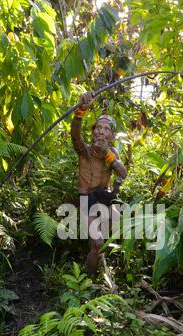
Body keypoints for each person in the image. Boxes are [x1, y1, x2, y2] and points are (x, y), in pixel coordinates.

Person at [71, 92, 127, 277]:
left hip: (104, 196)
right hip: (87, 198)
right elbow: (75, 136)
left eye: (106, 129)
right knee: (96, 243)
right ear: (93, 131)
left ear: (111, 135)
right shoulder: (84, 151)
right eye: (98, 128)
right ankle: (89, 280)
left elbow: (123, 172)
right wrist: (81, 110)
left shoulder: (111, 153)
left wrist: (108, 156)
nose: (101, 131)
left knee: (120, 219)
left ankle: (104, 258)